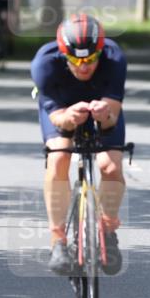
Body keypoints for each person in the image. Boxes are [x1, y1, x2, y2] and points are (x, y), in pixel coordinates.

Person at [30, 14, 127, 276]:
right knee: (59, 157)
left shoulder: (114, 58)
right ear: (64, 54)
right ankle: (58, 240)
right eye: (75, 60)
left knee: (109, 166)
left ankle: (108, 231)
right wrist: (69, 118)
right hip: (62, 107)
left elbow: (112, 118)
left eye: (91, 59)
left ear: (100, 53)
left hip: (101, 107)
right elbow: (57, 118)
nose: (84, 67)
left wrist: (105, 114)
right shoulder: (44, 64)